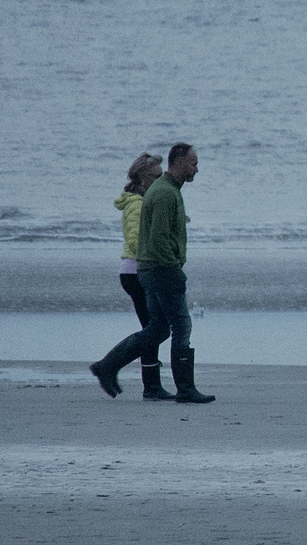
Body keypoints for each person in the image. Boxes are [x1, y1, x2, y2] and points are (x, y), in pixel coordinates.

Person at [91, 142, 214, 404]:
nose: (196, 169)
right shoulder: (165, 193)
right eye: (193, 163)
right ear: (179, 162)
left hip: (151, 269)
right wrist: (174, 268)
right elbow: (157, 238)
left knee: (158, 329)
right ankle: (185, 389)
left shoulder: (167, 190)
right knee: (181, 325)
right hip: (160, 269)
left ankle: (107, 366)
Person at [114, 152, 175, 400]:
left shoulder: (147, 202)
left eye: (161, 176)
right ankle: (144, 382)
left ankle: (150, 384)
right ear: (142, 178)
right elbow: (137, 240)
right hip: (137, 272)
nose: (160, 181)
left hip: (140, 271)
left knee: (154, 327)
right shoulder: (137, 205)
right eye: (155, 176)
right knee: (154, 328)